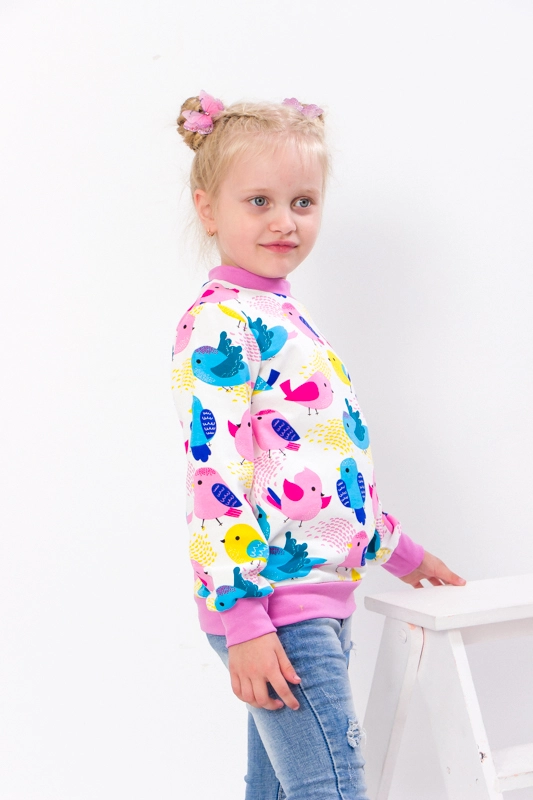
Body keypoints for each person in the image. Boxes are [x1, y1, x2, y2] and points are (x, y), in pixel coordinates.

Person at [171, 90, 466, 800]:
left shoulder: (282, 314)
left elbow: (321, 464)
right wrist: (243, 618)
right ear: (208, 209)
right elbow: (215, 474)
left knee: (279, 791)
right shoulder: (220, 324)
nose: (284, 221)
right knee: (330, 790)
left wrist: (400, 550)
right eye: (259, 202)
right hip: (274, 604)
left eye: (302, 202)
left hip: (316, 596)